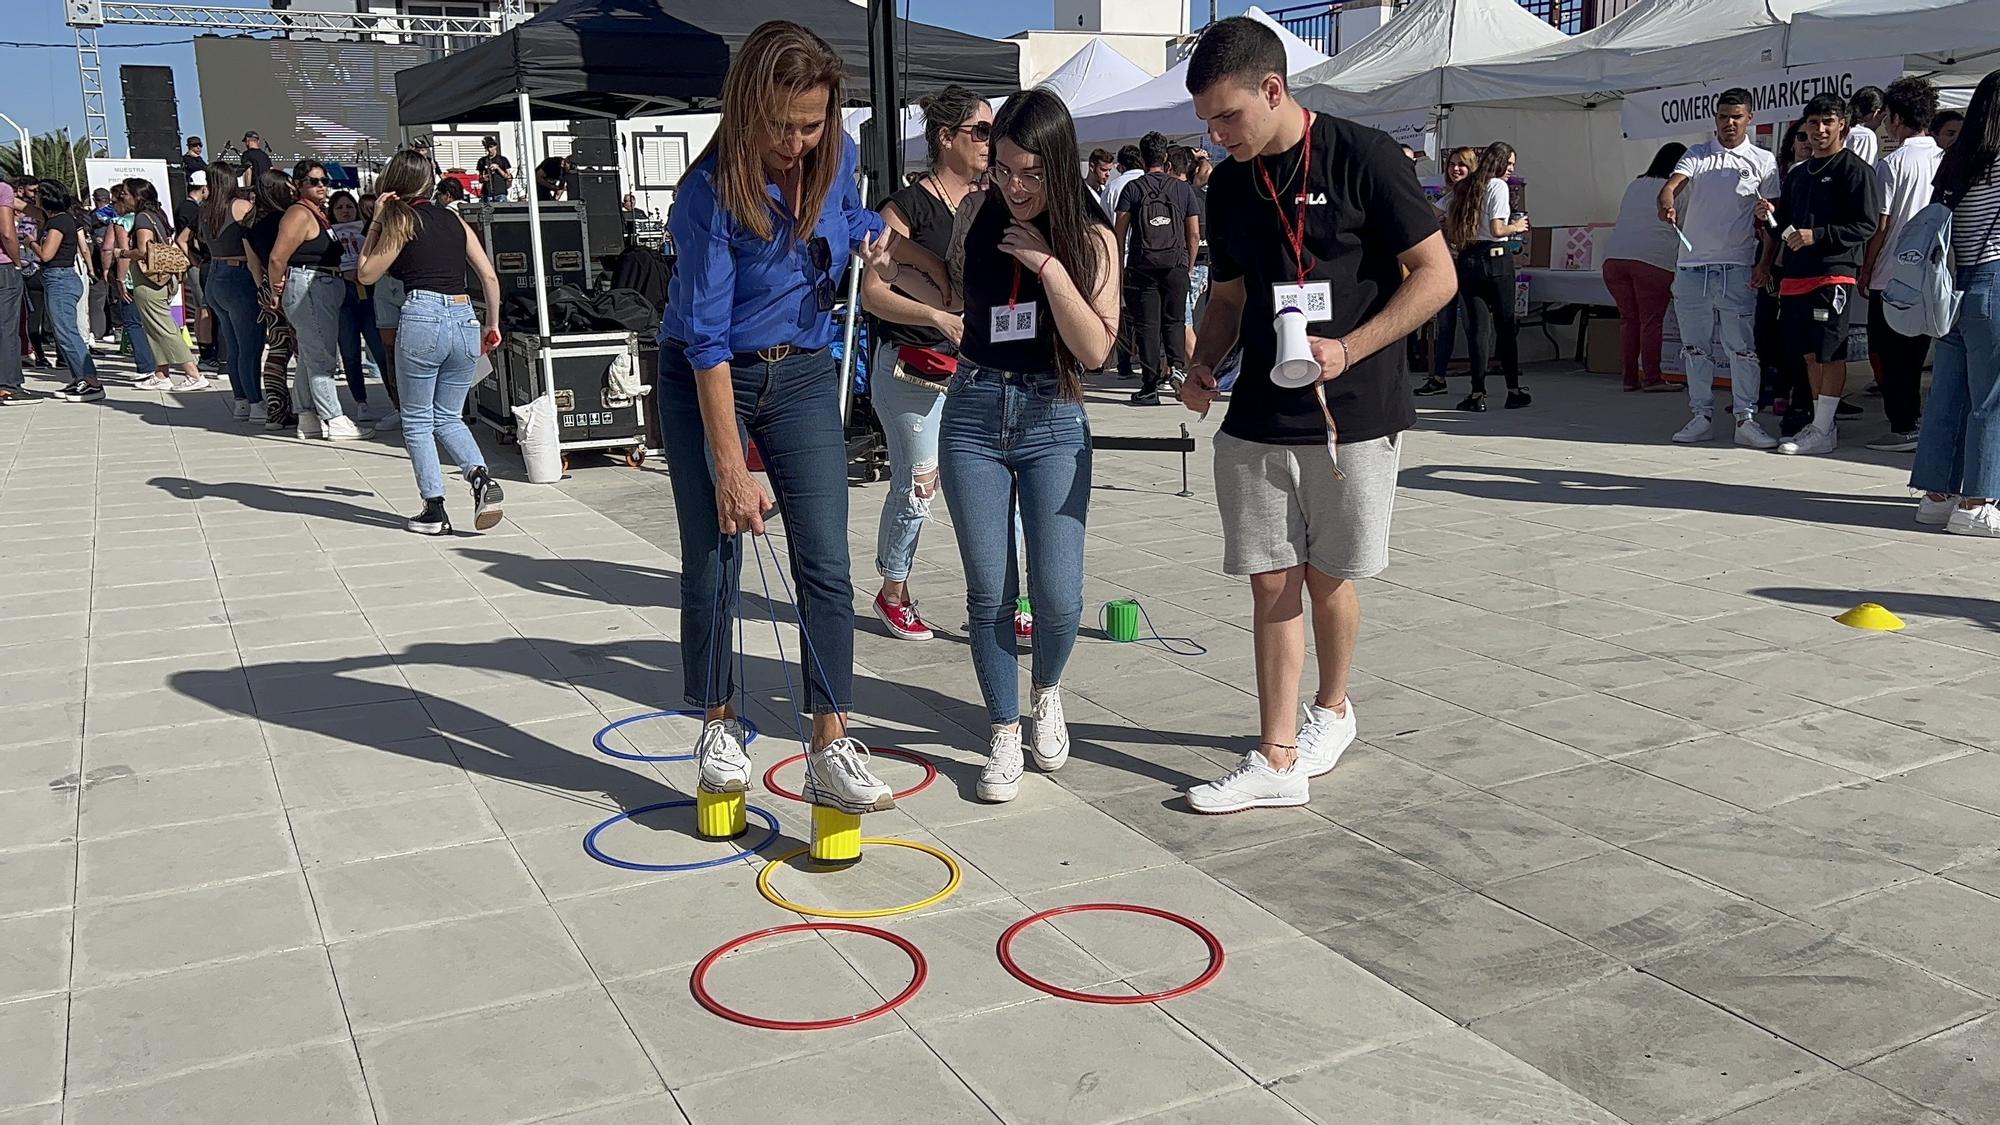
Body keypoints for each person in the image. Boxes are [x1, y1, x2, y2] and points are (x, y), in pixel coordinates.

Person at [656, 20, 948, 814]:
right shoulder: (709, 193)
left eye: (811, 123)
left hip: (807, 373)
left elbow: (846, 219)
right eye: (779, 124)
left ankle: (829, 742)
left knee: (824, 560)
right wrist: (730, 465)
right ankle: (718, 722)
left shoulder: (838, 156)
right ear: (748, 109)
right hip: (708, 377)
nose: (794, 141)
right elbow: (707, 340)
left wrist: (871, 238)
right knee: (716, 553)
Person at [1178, 17, 1455, 812]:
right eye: (1206, 121)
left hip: (1355, 410)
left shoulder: (1364, 156)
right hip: (1260, 411)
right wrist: (1206, 360)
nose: (1217, 134)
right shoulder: (1228, 183)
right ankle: (1276, 755)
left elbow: (1434, 276)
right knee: (1271, 578)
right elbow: (1228, 297)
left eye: (1227, 116)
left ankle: (1333, 708)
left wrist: (1352, 347)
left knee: (1330, 578)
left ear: (1274, 90)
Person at [866, 86, 1119, 802]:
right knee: (989, 593)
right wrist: (893, 258)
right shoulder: (980, 209)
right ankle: (1003, 729)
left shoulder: (1094, 234)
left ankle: (1048, 693)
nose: (1013, 185)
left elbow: (1097, 348)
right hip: (975, 407)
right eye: (1002, 168)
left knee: (1059, 597)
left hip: (1053, 416)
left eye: (1030, 173)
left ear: (1062, 167)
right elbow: (951, 287)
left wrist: (1047, 267)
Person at [858, 84, 991, 643]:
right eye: (979, 132)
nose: (989, 143)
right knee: (920, 481)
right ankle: (894, 589)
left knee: (989, 482)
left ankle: (1001, 597)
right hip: (911, 363)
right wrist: (937, 318)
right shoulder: (907, 206)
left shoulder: (991, 202)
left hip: (976, 365)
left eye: (992, 132)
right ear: (946, 138)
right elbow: (872, 292)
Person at [357, 151, 505, 535]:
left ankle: (434, 508)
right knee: (449, 416)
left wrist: (375, 222)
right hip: (464, 316)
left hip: (422, 314)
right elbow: (488, 276)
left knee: (419, 420)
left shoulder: (400, 221)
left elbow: (366, 273)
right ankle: (479, 477)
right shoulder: (454, 219)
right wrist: (493, 323)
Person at [1759, 93, 1880, 456]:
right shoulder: (1798, 174)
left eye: (1828, 121)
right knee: (1809, 354)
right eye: (1813, 123)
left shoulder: (1856, 170)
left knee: (1830, 353)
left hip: (1833, 274)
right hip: (1796, 276)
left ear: (1843, 124)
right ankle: (1818, 423)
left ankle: (1825, 427)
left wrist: (1819, 235)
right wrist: (1770, 216)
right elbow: (1788, 229)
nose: (1820, 129)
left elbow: (1867, 225)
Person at [1660, 87, 1782, 449]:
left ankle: (1745, 418)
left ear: (1749, 119)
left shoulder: (1764, 160)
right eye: (1722, 116)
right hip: (1693, 264)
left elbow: (1772, 220)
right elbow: (1671, 187)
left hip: (1737, 265)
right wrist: (1666, 202)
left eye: (1736, 117)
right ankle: (1700, 415)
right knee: (1695, 347)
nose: (1728, 123)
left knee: (1741, 347)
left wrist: (1764, 262)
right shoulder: (1697, 155)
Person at [1910, 69, 2000, 535]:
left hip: (1950, 285)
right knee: (1992, 397)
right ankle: (1978, 501)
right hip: (1993, 280)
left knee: (1948, 393)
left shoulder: (1956, 160)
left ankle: (1936, 495)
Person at [1863, 77, 1944, 453]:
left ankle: (1903, 425)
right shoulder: (1946, 159)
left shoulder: (1892, 164)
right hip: (1933, 270)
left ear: (1895, 117)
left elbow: (1881, 225)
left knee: (1891, 354)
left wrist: (1865, 269)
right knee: (1918, 351)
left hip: (1892, 272)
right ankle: (1916, 420)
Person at [268, 160, 361, 440]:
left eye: (324, 181)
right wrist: (275, 289)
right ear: (299, 185)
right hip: (310, 284)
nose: (321, 186)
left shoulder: (315, 212)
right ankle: (333, 417)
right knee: (321, 356)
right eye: (314, 181)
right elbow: (277, 257)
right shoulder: (299, 214)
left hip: (323, 283)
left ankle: (307, 414)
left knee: (311, 355)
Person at [1441, 141, 1531, 411]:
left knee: (1478, 330)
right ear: (1499, 162)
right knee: (1505, 325)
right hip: (1496, 258)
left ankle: (1477, 393)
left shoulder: (1464, 186)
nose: (1511, 169)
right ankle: (1513, 389)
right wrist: (1517, 226)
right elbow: (1496, 229)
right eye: (1510, 163)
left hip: (1468, 258)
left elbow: (1435, 212)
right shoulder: (1498, 186)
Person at [1116, 131, 1201, 406]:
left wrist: (1119, 269)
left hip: (1142, 265)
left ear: (1141, 158)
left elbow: (1119, 233)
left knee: (1147, 325)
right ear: (1165, 158)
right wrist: (1187, 266)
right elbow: (1193, 234)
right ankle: (1176, 367)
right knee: (1175, 321)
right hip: (1176, 265)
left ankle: (1149, 386)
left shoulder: (1133, 189)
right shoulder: (1182, 189)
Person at [1603, 143, 1688, 392]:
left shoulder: (1635, 184)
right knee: (1651, 321)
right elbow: (1689, 224)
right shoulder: (1681, 187)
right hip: (1654, 260)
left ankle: (1629, 379)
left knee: (1629, 320)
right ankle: (1652, 378)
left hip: (1615, 258)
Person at [117, 178, 206, 394]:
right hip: (164, 277)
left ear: (137, 196)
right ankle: (161, 374)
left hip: (149, 280)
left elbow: (144, 250)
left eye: (125, 193)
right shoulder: (158, 215)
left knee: (163, 327)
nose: (122, 197)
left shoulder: (141, 219)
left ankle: (192, 373)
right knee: (154, 327)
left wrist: (124, 253)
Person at [201, 159, 263, 420]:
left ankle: (241, 401)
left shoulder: (205, 209)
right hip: (239, 274)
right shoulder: (241, 207)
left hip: (215, 274)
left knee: (234, 345)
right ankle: (257, 402)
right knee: (251, 345)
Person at [1415, 146, 1478, 398]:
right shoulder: (1448, 197)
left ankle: (1478, 382)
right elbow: (1430, 220)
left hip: (1471, 265)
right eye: (1452, 164)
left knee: (1474, 325)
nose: (1455, 169)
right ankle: (1438, 376)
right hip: (1450, 265)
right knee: (1446, 323)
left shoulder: (1476, 195)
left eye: (1461, 164)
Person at [25, 181, 97, 402]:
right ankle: (79, 378)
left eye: (38, 193)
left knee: (67, 332)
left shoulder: (58, 223)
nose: (34, 196)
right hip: (59, 279)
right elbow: (23, 207)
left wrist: (31, 243)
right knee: (64, 331)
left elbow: (46, 254)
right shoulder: (56, 218)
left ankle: (91, 381)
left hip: (60, 279)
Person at [329, 190, 392, 423]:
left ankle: (394, 399)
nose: (345, 211)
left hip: (369, 294)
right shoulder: (328, 234)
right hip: (343, 295)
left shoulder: (367, 230)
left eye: (349, 207)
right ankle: (360, 401)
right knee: (350, 351)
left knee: (379, 349)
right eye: (339, 208)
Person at [243, 170, 299, 430]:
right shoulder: (287, 218)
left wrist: (264, 291)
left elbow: (254, 265)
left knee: (277, 350)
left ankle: (276, 410)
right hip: (292, 284)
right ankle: (309, 408)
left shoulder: (249, 222)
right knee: (303, 349)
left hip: (266, 286)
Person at [100, 184, 158, 380]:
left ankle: (146, 367)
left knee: (133, 323)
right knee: (153, 322)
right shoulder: (152, 217)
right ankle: (161, 366)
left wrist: (119, 278)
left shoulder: (121, 222)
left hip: (133, 277)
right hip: (154, 275)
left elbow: (117, 251)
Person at [175, 172, 216, 371]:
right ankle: (207, 355)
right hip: (198, 264)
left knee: (202, 308)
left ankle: (205, 352)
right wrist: (193, 258)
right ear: (204, 188)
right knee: (205, 308)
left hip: (196, 263)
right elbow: (183, 238)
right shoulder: (193, 209)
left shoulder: (186, 205)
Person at [1848, 86, 1886, 165]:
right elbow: (1862, 174)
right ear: (1875, 113)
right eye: (1883, 117)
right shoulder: (1865, 136)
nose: (1881, 123)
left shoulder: (1841, 129)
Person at [476, 136, 513, 203]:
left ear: (495, 146)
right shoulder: (482, 161)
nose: (489, 149)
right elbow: (480, 179)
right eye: (487, 147)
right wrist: (484, 178)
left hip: (500, 192)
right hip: (486, 193)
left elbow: (508, 177)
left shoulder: (503, 159)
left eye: (491, 147)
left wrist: (498, 168)